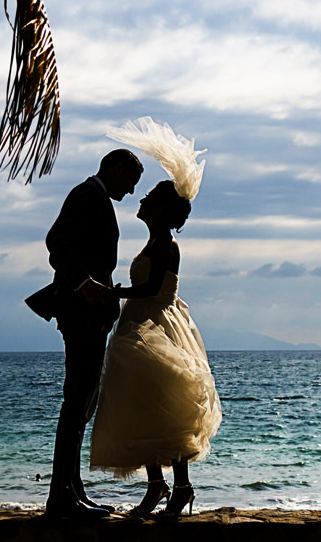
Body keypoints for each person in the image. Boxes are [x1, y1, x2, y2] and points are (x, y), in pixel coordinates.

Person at [88, 119, 222, 518]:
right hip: (137, 323)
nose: (140, 201)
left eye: (147, 198)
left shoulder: (167, 244)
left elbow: (152, 290)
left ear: (162, 209)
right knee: (143, 405)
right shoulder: (153, 240)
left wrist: (114, 292)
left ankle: (180, 487)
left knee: (169, 403)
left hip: (158, 325)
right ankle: (157, 485)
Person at [34, 147, 143, 519]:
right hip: (80, 313)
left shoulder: (96, 198)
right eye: (130, 180)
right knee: (75, 402)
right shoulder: (86, 195)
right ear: (114, 169)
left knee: (82, 404)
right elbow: (56, 243)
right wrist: (85, 284)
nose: (130, 191)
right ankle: (61, 496)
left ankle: (71, 489)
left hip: (91, 315)